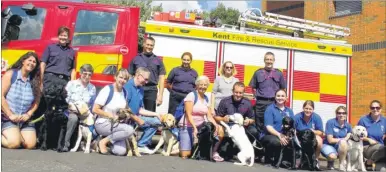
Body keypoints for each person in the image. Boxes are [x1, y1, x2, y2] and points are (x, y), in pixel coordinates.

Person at [92, 69, 142, 156]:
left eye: (125, 79)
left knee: (120, 151)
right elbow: (95, 109)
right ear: (115, 77)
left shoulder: (124, 92)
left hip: (117, 125)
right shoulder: (107, 90)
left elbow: (126, 108)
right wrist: (109, 115)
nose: (122, 81)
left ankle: (102, 142)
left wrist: (137, 119)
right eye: (121, 77)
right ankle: (103, 142)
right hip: (103, 123)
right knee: (129, 129)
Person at [1, 52, 41, 149]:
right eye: (29, 60)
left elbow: (37, 101)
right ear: (23, 61)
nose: (31, 63)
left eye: (34, 62)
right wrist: (10, 114)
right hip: (8, 117)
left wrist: (28, 114)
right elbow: (1, 96)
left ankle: (17, 133)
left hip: (25, 119)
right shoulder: (11, 74)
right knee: (14, 143)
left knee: (31, 145)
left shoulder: (35, 80)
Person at [178, 76, 221, 159]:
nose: (203, 87)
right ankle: (178, 147)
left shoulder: (206, 98)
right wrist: (194, 128)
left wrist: (216, 126)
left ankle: (211, 152)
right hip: (188, 126)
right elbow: (188, 114)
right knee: (185, 155)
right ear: (196, 85)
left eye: (205, 85)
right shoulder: (191, 95)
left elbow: (209, 116)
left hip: (200, 127)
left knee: (219, 130)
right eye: (201, 84)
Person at [124, 67, 163, 154]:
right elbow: (125, 108)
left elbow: (140, 109)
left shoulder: (141, 89)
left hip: (136, 118)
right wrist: (137, 119)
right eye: (145, 79)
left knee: (157, 121)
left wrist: (156, 114)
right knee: (121, 151)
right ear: (138, 76)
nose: (146, 82)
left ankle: (141, 145)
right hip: (126, 119)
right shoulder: (127, 87)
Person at [214, 82, 256, 161]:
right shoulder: (225, 101)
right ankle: (225, 149)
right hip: (227, 128)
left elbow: (252, 119)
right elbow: (216, 117)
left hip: (241, 129)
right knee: (225, 154)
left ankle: (245, 152)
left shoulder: (247, 103)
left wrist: (248, 121)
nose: (238, 94)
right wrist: (223, 119)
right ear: (232, 91)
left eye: (240, 93)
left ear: (243, 93)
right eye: (236, 92)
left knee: (253, 131)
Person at [249, 52, 286, 137]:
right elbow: (253, 87)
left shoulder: (279, 73)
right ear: (264, 60)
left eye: (271, 59)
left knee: (273, 123)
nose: (269, 61)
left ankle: (272, 142)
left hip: (274, 103)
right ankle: (260, 145)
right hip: (261, 103)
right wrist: (257, 96)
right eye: (267, 59)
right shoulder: (258, 73)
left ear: (274, 61)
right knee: (260, 124)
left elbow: (283, 89)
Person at [63, 64, 96, 152]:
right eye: (85, 73)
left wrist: (91, 115)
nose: (87, 76)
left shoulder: (92, 88)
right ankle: (66, 144)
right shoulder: (71, 84)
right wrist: (71, 107)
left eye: (89, 75)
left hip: (85, 113)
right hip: (72, 110)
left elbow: (92, 104)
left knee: (92, 121)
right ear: (80, 73)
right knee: (73, 119)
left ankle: (89, 144)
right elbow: (65, 99)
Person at [128, 37, 166, 112]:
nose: (149, 47)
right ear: (143, 44)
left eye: (151, 45)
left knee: (150, 113)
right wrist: (129, 90)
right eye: (147, 44)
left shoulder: (158, 60)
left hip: (151, 91)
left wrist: (160, 95)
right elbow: (129, 76)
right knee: (134, 111)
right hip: (137, 89)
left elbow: (162, 78)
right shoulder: (136, 59)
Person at [261, 89, 294, 166]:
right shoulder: (270, 109)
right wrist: (279, 135)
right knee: (275, 141)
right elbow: (268, 127)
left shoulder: (289, 111)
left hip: (284, 135)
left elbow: (292, 126)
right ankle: (268, 159)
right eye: (278, 96)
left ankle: (282, 160)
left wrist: (288, 137)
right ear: (275, 97)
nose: (280, 98)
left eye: (282, 96)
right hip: (269, 135)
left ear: (286, 98)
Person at [293, 100, 324, 170]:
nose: (308, 111)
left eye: (310, 109)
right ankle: (298, 159)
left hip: (311, 137)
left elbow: (321, 132)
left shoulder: (317, 117)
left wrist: (313, 131)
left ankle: (315, 160)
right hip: (299, 137)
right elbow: (293, 130)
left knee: (320, 140)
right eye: (306, 108)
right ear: (303, 108)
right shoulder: (297, 117)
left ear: (313, 110)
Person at [357, 100, 386, 171]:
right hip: (367, 147)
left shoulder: (384, 120)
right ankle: (369, 162)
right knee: (382, 148)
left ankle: (371, 162)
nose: (375, 109)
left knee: (382, 170)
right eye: (373, 108)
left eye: (377, 107)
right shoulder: (363, 120)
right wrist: (368, 139)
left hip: (381, 150)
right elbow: (357, 135)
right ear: (370, 109)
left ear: (381, 109)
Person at [321, 106, 352, 171]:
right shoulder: (330, 122)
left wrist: (345, 139)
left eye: (344, 113)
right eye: (339, 113)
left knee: (343, 143)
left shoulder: (348, 125)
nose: (341, 115)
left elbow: (350, 134)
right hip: (328, 145)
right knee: (333, 155)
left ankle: (341, 164)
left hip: (340, 146)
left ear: (346, 114)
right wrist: (343, 139)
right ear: (336, 114)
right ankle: (330, 161)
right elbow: (330, 140)